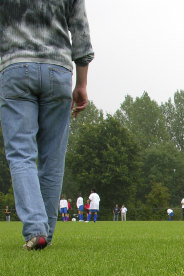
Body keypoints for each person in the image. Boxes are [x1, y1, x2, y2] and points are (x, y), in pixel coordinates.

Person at [0, 0, 93, 250]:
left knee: (21, 153)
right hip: (58, 69)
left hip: (15, 66)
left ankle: (36, 230)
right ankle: (45, 234)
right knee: (53, 157)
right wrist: (82, 83)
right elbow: (81, 29)